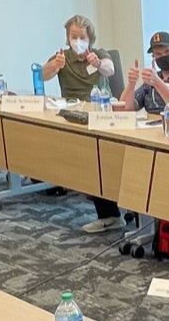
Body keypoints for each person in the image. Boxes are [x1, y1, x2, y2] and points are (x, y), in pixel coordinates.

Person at [42, 15, 125, 234]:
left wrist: (97, 64)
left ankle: (110, 215)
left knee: (97, 157)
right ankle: (107, 211)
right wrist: (54, 65)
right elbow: (43, 75)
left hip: (100, 113)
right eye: (73, 36)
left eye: (82, 37)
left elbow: (110, 69)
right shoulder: (62, 57)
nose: (77, 40)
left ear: (90, 38)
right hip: (72, 114)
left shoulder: (98, 54)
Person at [116, 31, 169, 123]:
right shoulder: (151, 80)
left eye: (167, 52)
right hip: (150, 130)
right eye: (158, 54)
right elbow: (124, 110)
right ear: (153, 57)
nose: (163, 56)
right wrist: (131, 84)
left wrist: (158, 83)